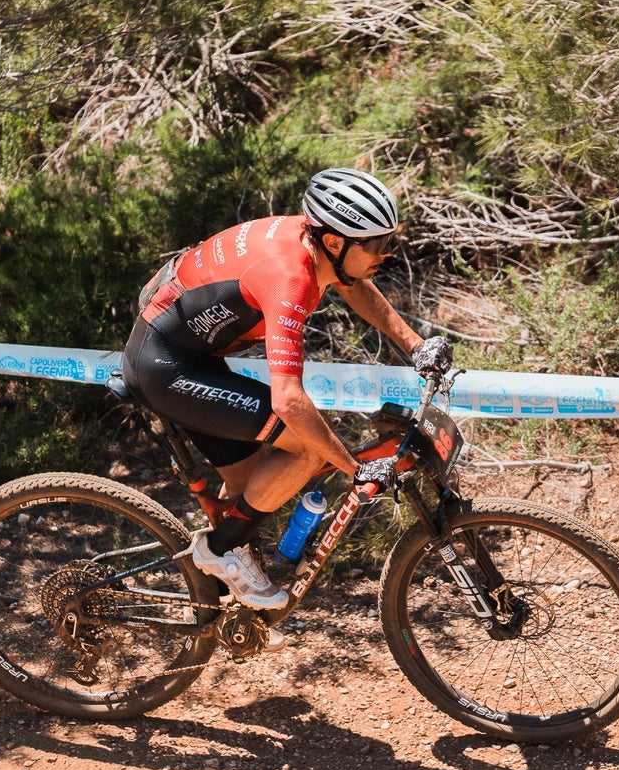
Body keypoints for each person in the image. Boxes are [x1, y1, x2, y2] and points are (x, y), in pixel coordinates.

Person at [122, 168, 454, 610]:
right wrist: (352, 467)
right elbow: (288, 399)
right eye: (376, 245)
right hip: (164, 367)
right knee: (308, 447)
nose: (386, 253)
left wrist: (414, 344)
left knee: (251, 483)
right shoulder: (287, 276)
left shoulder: (314, 241)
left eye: (389, 241)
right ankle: (218, 552)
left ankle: (217, 600)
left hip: (190, 356)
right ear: (334, 242)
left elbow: (352, 283)